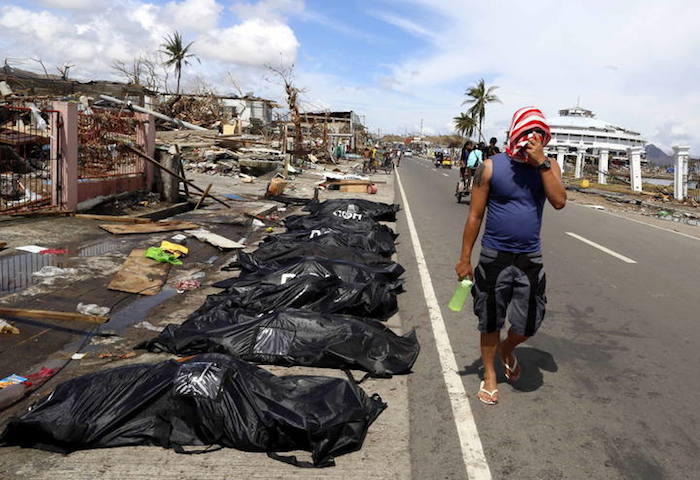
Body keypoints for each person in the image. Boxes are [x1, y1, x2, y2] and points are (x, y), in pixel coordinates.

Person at [454, 107, 567, 405]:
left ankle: (507, 348)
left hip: (530, 257)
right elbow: (475, 215)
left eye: (539, 134)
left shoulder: (550, 166)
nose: (532, 139)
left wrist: (542, 163)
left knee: (529, 323)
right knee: (490, 320)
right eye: (527, 133)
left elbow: (559, 201)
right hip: (494, 256)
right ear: (515, 132)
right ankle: (490, 374)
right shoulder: (490, 167)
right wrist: (465, 258)